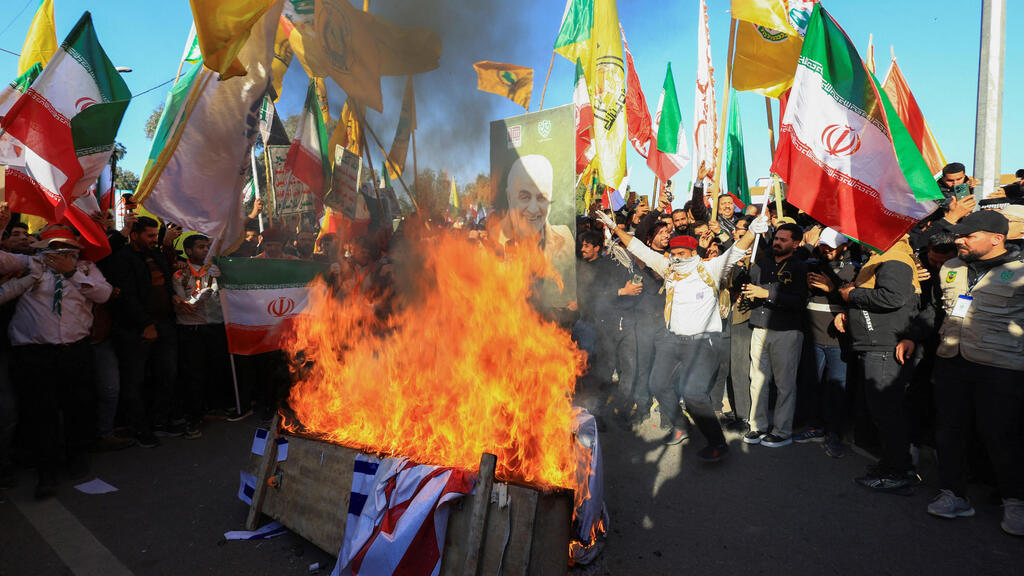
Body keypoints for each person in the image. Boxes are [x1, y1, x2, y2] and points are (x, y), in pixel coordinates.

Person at [599, 210, 762, 463]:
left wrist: (753, 231)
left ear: (693, 253)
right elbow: (641, 250)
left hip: (702, 343)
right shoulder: (669, 269)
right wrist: (615, 229)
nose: (675, 258)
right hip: (671, 340)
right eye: (673, 254)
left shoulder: (711, 268)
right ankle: (679, 425)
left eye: (681, 254)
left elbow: (736, 250)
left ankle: (717, 443)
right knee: (658, 384)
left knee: (694, 393)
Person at [900, 211, 1023, 536]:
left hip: (1001, 368)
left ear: (997, 238)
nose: (959, 240)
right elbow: (942, 310)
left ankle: (1016, 502)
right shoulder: (953, 268)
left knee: (1002, 436)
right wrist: (917, 335)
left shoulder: (1020, 271)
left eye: (968, 236)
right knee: (949, 431)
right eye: (959, 235)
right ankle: (954, 494)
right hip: (952, 361)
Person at [0, 224, 112, 499]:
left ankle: (75, 459)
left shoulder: (86, 269)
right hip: (35, 354)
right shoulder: (28, 264)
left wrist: (70, 273)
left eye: (66, 248)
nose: (60, 253)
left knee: (78, 408)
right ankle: (46, 472)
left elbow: (103, 294)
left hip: (74, 351)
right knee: (41, 413)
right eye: (53, 248)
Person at [835, 235, 921, 493]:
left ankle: (898, 471)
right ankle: (892, 464)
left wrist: (853, 295)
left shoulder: (894, 257)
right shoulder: (882, 256)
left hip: (884, 345)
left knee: (886, 412)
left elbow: (893, 297)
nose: (858, 240)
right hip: (875, 344)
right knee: (882, 411)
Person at [107, 216, 179, 447]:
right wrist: (145, 324)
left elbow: (165, 282)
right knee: (134, 381)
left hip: (164, 324)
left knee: (166, 374)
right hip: (135, 330)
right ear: (135, 235)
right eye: (149, 235)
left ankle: (160, 421)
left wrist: (174, 297)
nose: (154, 239)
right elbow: (127, 296)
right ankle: (139, 428)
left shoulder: (156, 254)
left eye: (155, 235)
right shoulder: (122, 258)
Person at [741, 222, 808, 448]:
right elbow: (750, 287)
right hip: (759, 327)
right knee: (757, 380)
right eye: (776, 238)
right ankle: (756, 426)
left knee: (784, 384)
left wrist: (766, 293)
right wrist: (748, 291)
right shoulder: (763, 263)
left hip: (786, 331)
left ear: (796, 243)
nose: (777, 242)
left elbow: (799, 301)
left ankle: (782, 431)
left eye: (783, 239)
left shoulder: (800, 267)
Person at [796, 228, 857, 457]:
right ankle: (815, 426)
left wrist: (832, 289)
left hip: (837, 341)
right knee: (811, 385)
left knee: (836, 390)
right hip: (812, 337)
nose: (826, 249)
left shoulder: (854, 269)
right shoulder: (811, 264)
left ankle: (834, 434)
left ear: (845, 246)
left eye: (832, 246)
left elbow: (855, 302)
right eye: (823, 245)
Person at [576, 230, 639, 429]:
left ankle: (622, 411)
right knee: (603, 371)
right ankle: (597, 413)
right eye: (619, 246)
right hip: (602, 325)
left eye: (626, 247)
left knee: (628, 370)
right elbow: (594, 296)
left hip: (626, 323)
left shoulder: (625, 265)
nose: (623, 250)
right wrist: (621, 291)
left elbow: (635, 288)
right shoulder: (591, 267)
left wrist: (633, 289)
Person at [172, 234, 231, 438]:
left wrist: (222, 279)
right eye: (200, 247)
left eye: (207, 247)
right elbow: (183, 305)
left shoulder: (214, 271)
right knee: (193, 375)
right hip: (191, 329)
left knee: (215, 369)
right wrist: (198, 297)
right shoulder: (180, 273)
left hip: (213, 327)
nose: (206, 250)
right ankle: (193, 419)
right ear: (189, 251)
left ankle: (212, 408)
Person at [497, 154, 575, 308]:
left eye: (541, 198)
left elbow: (573, 286)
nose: (533, 209)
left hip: (550, 325)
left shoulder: (565, 237)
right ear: (509, 197)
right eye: (524, 197)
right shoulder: (492, 242)